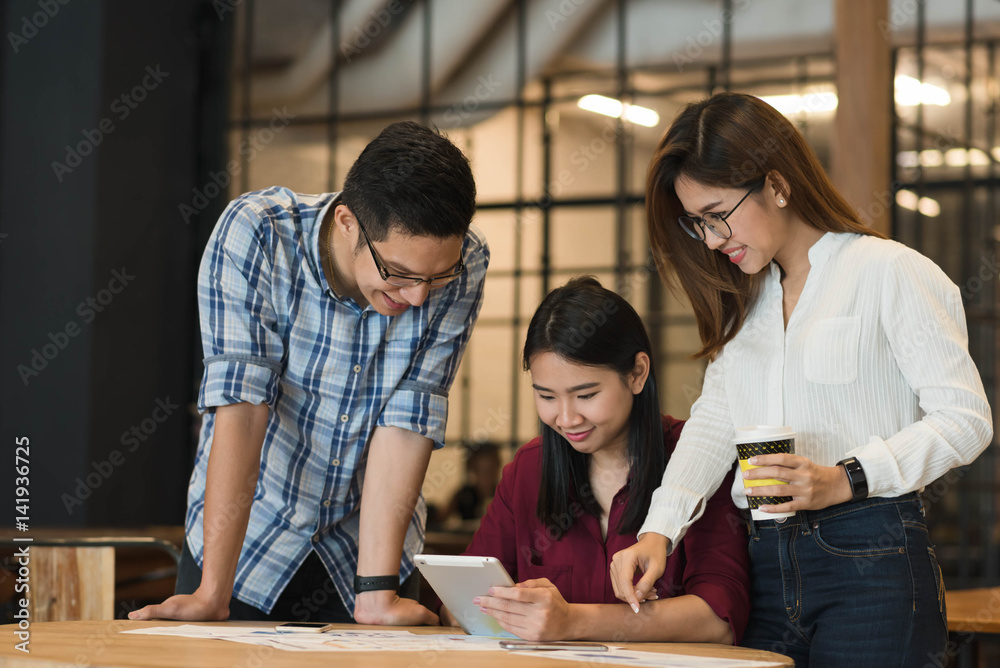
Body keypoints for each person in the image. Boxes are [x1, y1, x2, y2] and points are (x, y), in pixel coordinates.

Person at [609, 93, 993, 666]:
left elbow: (967, 421)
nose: (712, 240)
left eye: (719, 215)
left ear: (777, 185)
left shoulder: (888, 272)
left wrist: (846, 478)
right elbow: (716, 423)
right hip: (762, 558)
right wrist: (658, 531)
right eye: (698, 225)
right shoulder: (746, 301)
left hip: (872, 560)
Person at [130, 121, 489, 626]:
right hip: (248, 543)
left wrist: (377, 592)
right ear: (347, 220)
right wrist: (213, 592)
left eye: (436, 277)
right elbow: (243, 410)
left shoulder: (467, 264)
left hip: (367, 550)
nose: (419, 298)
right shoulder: (257, 233)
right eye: (399, 274)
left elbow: (407, 422)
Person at [442, 277, 750, 643]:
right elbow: (460, 603)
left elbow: (718, 622)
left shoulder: (696, 457)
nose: (566, 418)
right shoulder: (528, 471)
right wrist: (482, 609)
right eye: (547, 396)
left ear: (637, 373)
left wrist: (572, 621)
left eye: (585, 395)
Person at [443, 442, 502, 522]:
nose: (487, 477)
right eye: (482, 471)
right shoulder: (463, 495)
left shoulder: (504, 495)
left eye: (491, 471)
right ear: (473, 470)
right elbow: (441, 519)